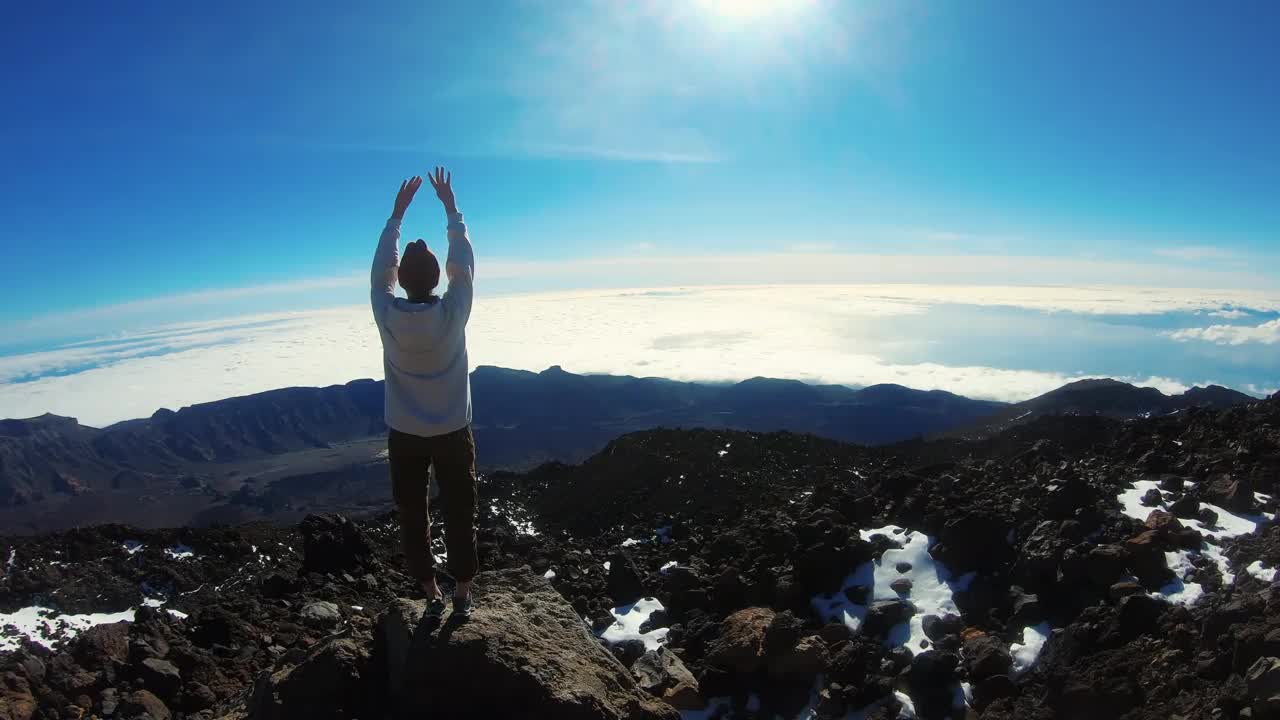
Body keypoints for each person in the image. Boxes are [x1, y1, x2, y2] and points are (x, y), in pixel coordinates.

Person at [371, 166, 477, 618]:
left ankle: (431, 594)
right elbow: (464, 264)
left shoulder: (388, 314)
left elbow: (380, 276)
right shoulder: (454, 311)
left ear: (405, 281)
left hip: (405, 434)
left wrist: (396, 218)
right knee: (460, 508)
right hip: (453, 429)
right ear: (436, 278)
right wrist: (451, 210)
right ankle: (462, 593)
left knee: (414, 512)